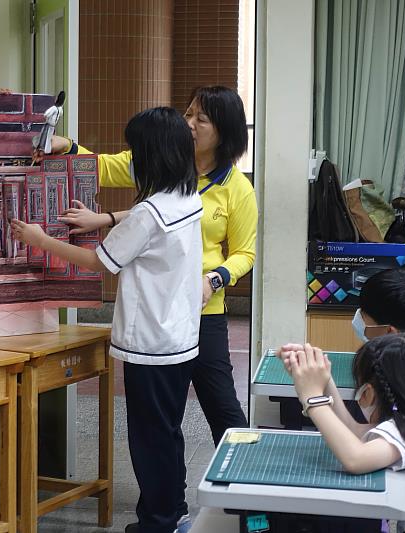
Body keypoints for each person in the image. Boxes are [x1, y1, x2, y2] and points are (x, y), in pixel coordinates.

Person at [13, 107, 202, 533]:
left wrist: (42, 241)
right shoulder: (187, 198)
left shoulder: (149, 215)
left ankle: (156, 522)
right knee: (168, 434)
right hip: (180, 339)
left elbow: (100, 262)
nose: (130, 158)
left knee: (149, 440)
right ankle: (174, 511)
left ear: (152, 156)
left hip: (150, 345)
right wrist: (107, 219)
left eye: (134, 150)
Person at [44, 87, 256, 455]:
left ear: (223, 131)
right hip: (159, 317)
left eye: (200, 119)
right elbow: (109, 169)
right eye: (187, 113)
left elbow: (245, 253)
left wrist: (216, 278)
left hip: (202, 313)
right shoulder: (165, 159)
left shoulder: (236, 189)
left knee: (223, 407)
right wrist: (69, 147)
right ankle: (166, 501)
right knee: (162, 418)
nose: (188, 123)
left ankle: (253, 490)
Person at [286, 336, 405, 533]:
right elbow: (353, 432)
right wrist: (324, 380)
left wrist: (312, 399)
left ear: (369, 391)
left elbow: (355, 459)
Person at [284, 268, 405, 426]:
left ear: (390, 332)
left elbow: (358, 450)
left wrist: (311, 395)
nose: (358, 318)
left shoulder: (400, 370)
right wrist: (324, 377)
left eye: (364, 315)